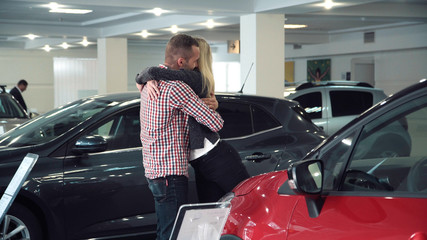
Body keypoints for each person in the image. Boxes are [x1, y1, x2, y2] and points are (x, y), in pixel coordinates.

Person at [136, 37, 250, 203]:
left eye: (197, 59)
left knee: (248, 202)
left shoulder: (195, 78)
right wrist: (146, 78)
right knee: (212, 216)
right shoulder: (183, 79)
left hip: (215, 157)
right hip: (200, 163)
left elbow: (159, 71)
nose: (195, 64)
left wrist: (144, 76)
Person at [138, 34, 224, 240]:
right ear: (181, 61)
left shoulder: (147, 85)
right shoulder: (178, 88)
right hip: (170, 174)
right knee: (173, 234)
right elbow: (215, 123)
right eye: (195, 61)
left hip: (153, 171)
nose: (196, 66)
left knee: (164, 230)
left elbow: (145, 74)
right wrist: (214, 107)